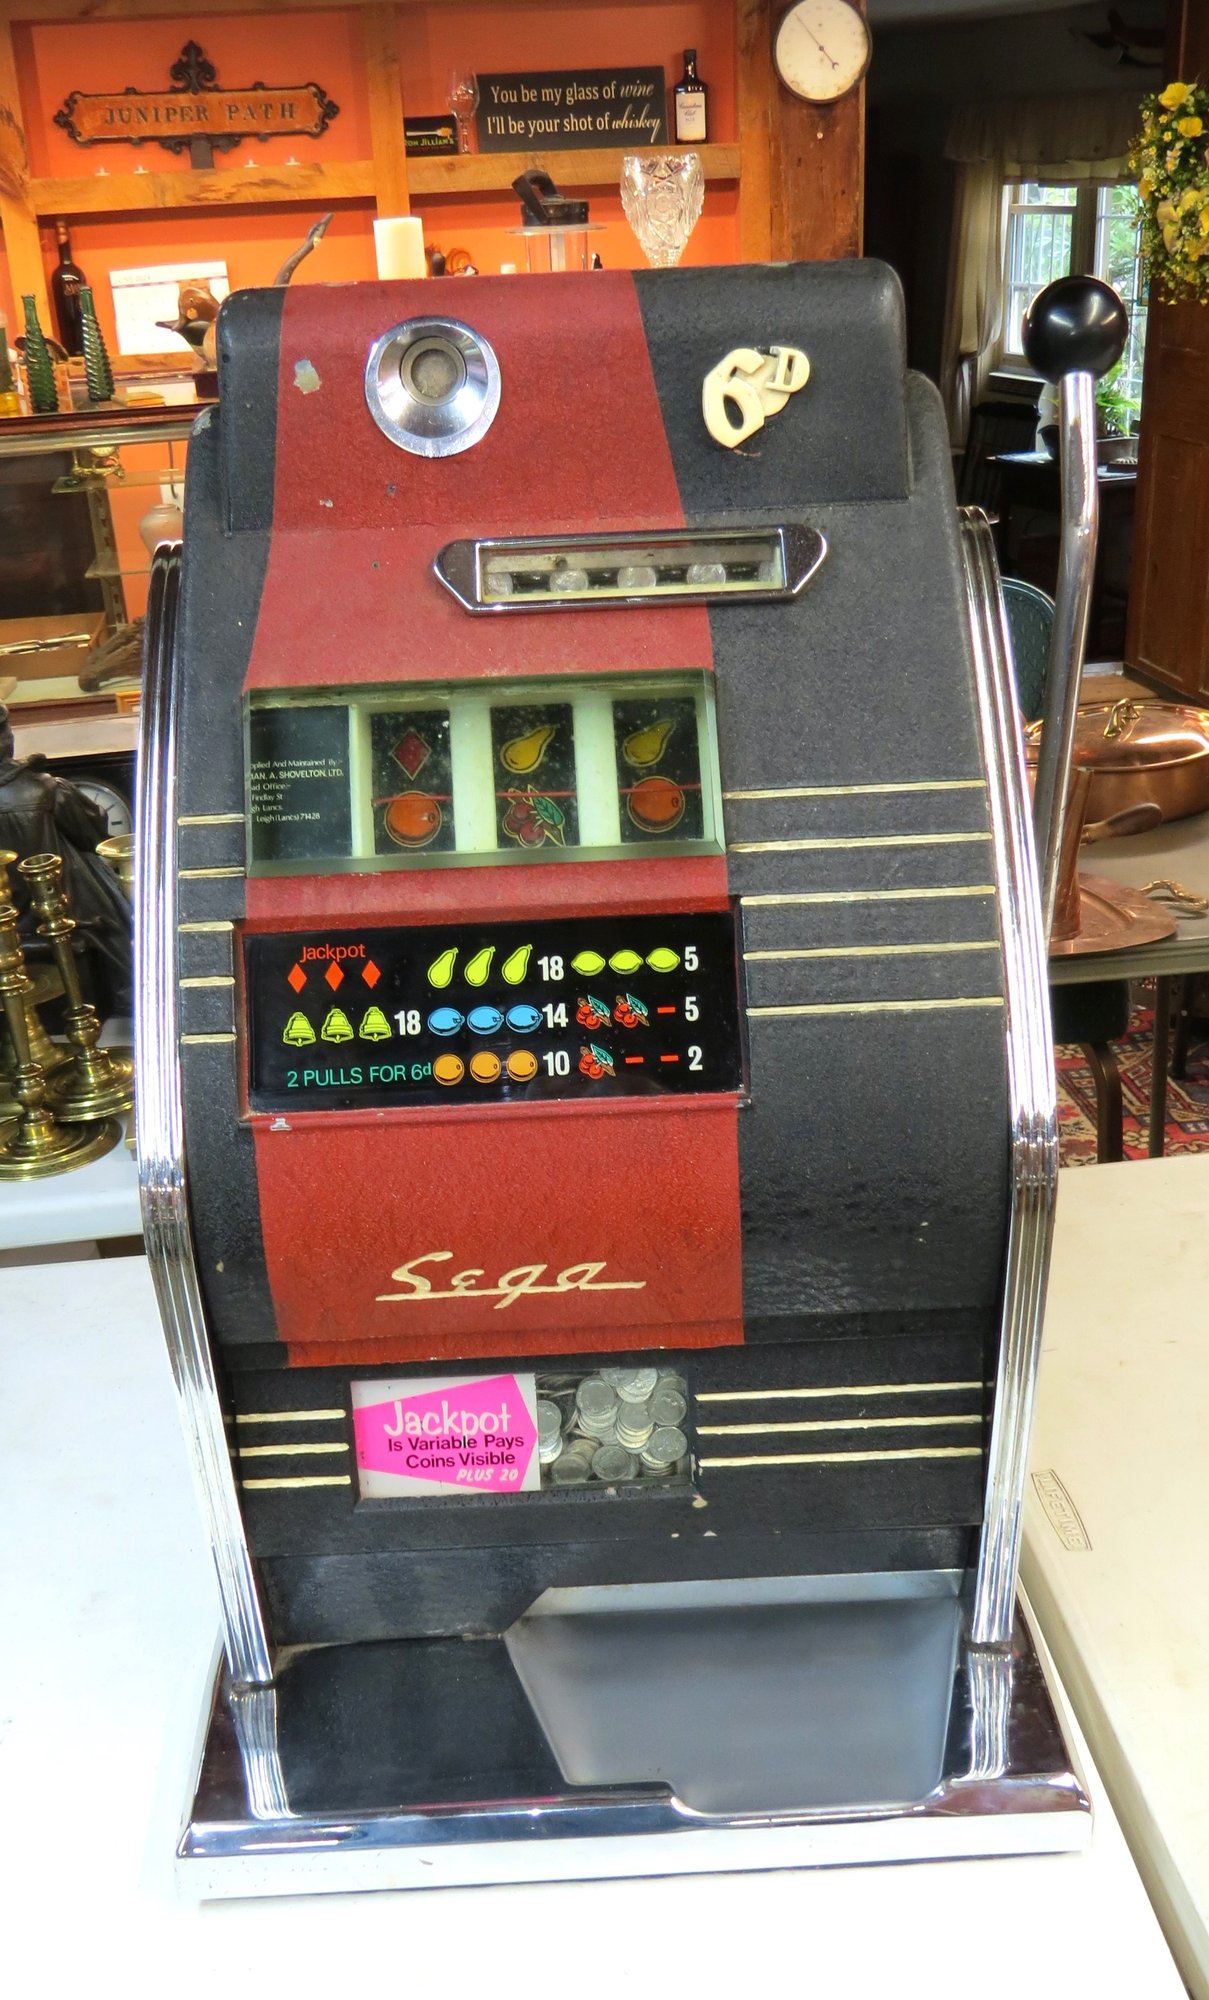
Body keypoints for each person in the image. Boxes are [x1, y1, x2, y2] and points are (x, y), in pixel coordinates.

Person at [0, 704, 132, 1012]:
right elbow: (95, 838)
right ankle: (132, 990)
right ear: (7, 739)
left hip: (12, 918)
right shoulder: (45, 789)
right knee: (100, 877)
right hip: (56, 910)